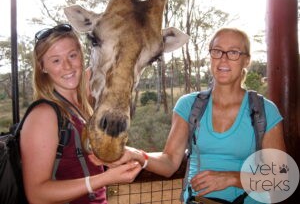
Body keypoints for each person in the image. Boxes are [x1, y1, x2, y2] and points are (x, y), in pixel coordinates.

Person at [101, 28, 286, 203]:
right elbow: (169, 162)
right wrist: (138, 155)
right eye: (217, 51)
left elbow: (281, 178)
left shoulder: (264, 111)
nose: (223, 59)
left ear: (246, 61)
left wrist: (232, 179)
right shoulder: (190, 106)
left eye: (234, 52)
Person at [20, 23, 142, 204]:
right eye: (56, 60)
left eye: (72, 55)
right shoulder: (44, 115)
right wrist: (105, 179)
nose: (68, 66)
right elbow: (37, 194)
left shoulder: (80, 107)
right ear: (42, 67)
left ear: (81, 56)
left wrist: (108, 161)